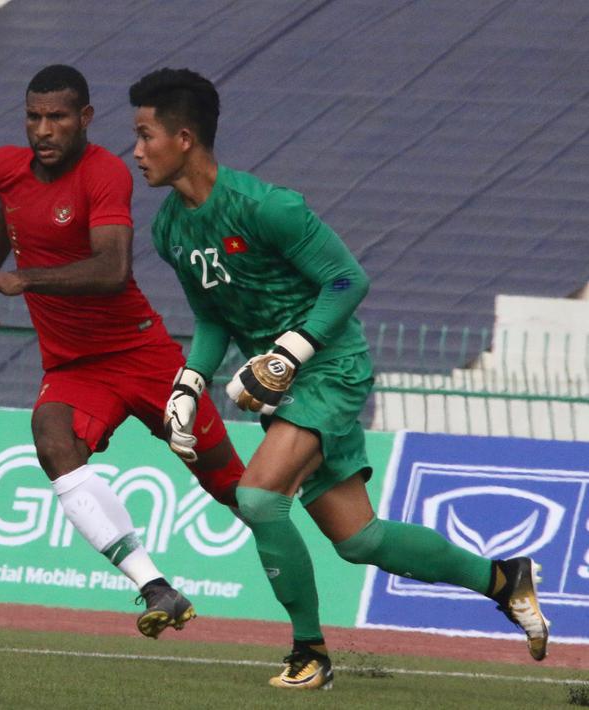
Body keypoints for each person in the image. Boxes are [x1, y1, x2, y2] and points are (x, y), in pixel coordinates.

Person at [129, 67, 550, 690]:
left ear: (184, 137)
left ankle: (310, 654)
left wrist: (290, 353)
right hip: (284, 386)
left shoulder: (267, 207)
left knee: (258, 496)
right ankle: (503, 578)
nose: (135, 152)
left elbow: (349, 279)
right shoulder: (170, 230)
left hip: (330, 367)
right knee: (360, 539)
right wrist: (190, 384)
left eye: (144, 135)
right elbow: (210, 313)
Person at [0, 64, 246, 639]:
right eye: (34, 117)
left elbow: (111, 270)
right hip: (73, 367)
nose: (44, 130)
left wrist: (22, 280)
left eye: (58, 117)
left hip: (140, 354)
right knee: (52, 440)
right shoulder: (4, 167)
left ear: (84, 118)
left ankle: (312, 609)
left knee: (236, 489)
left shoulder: (105, 174)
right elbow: (8, 205)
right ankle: (156, 587)